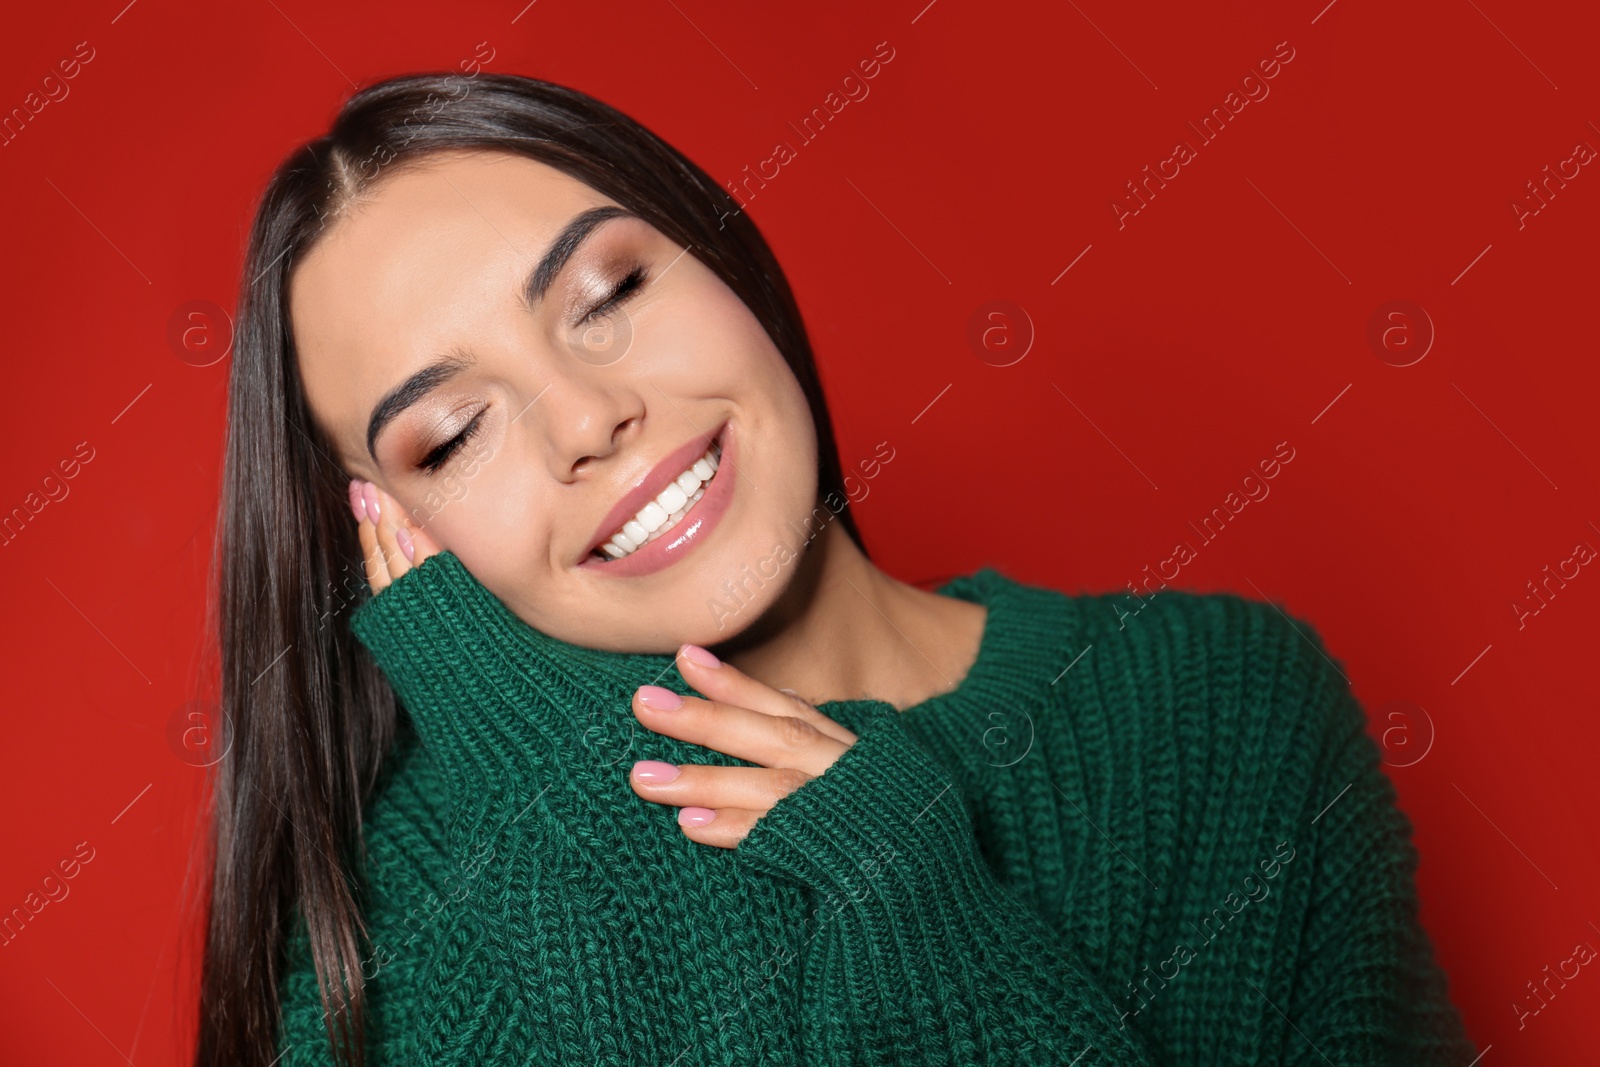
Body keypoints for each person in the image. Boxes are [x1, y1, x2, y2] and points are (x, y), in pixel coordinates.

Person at [192, 72, 1479, 1066]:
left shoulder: (1229, 705)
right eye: (454, 432)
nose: (588, 419)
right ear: (388, 531)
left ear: (722, 256)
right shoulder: (397, 919)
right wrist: (576, 799)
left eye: (608, 290)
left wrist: (918, 906)